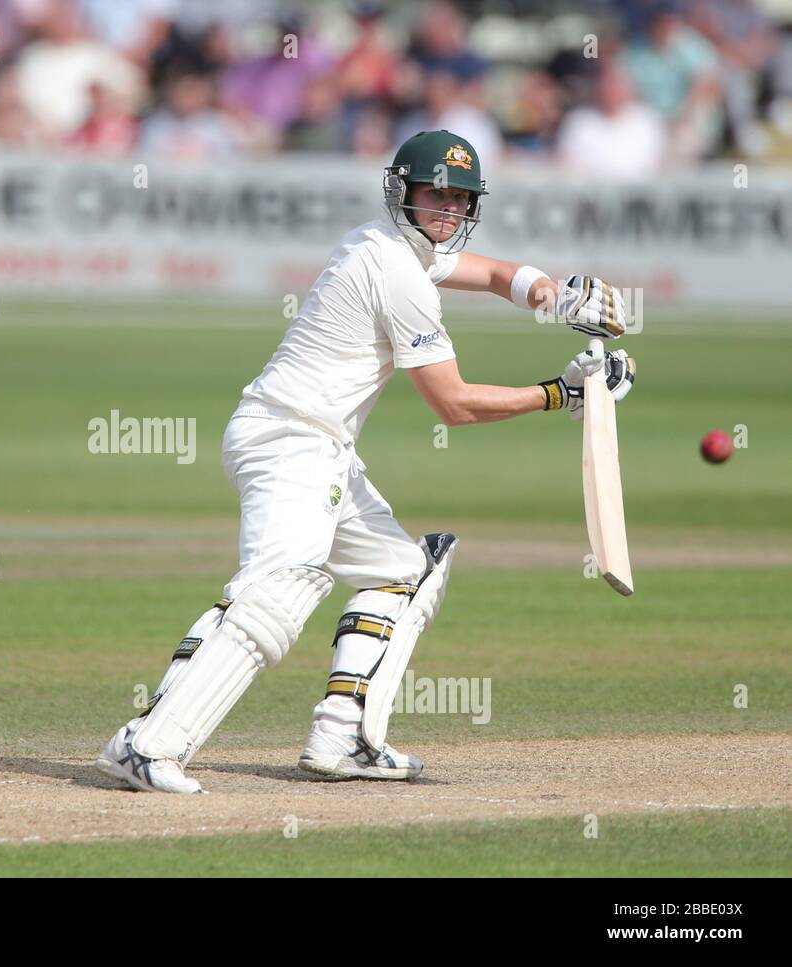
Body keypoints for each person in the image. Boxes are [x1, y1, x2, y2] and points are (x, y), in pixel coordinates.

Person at [97, 129, 636, 794]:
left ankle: (343, 736)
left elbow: (497, 274)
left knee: (403, 571)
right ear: (402, 193)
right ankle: (148, 744)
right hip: (292, 440)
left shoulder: (396, 246)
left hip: (313, 444)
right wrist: (561, 394)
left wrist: (555, 292)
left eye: (459, 197)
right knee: (278, 592)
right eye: (434, 193)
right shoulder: (397, 271)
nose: (447, 209)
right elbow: (454, 404)